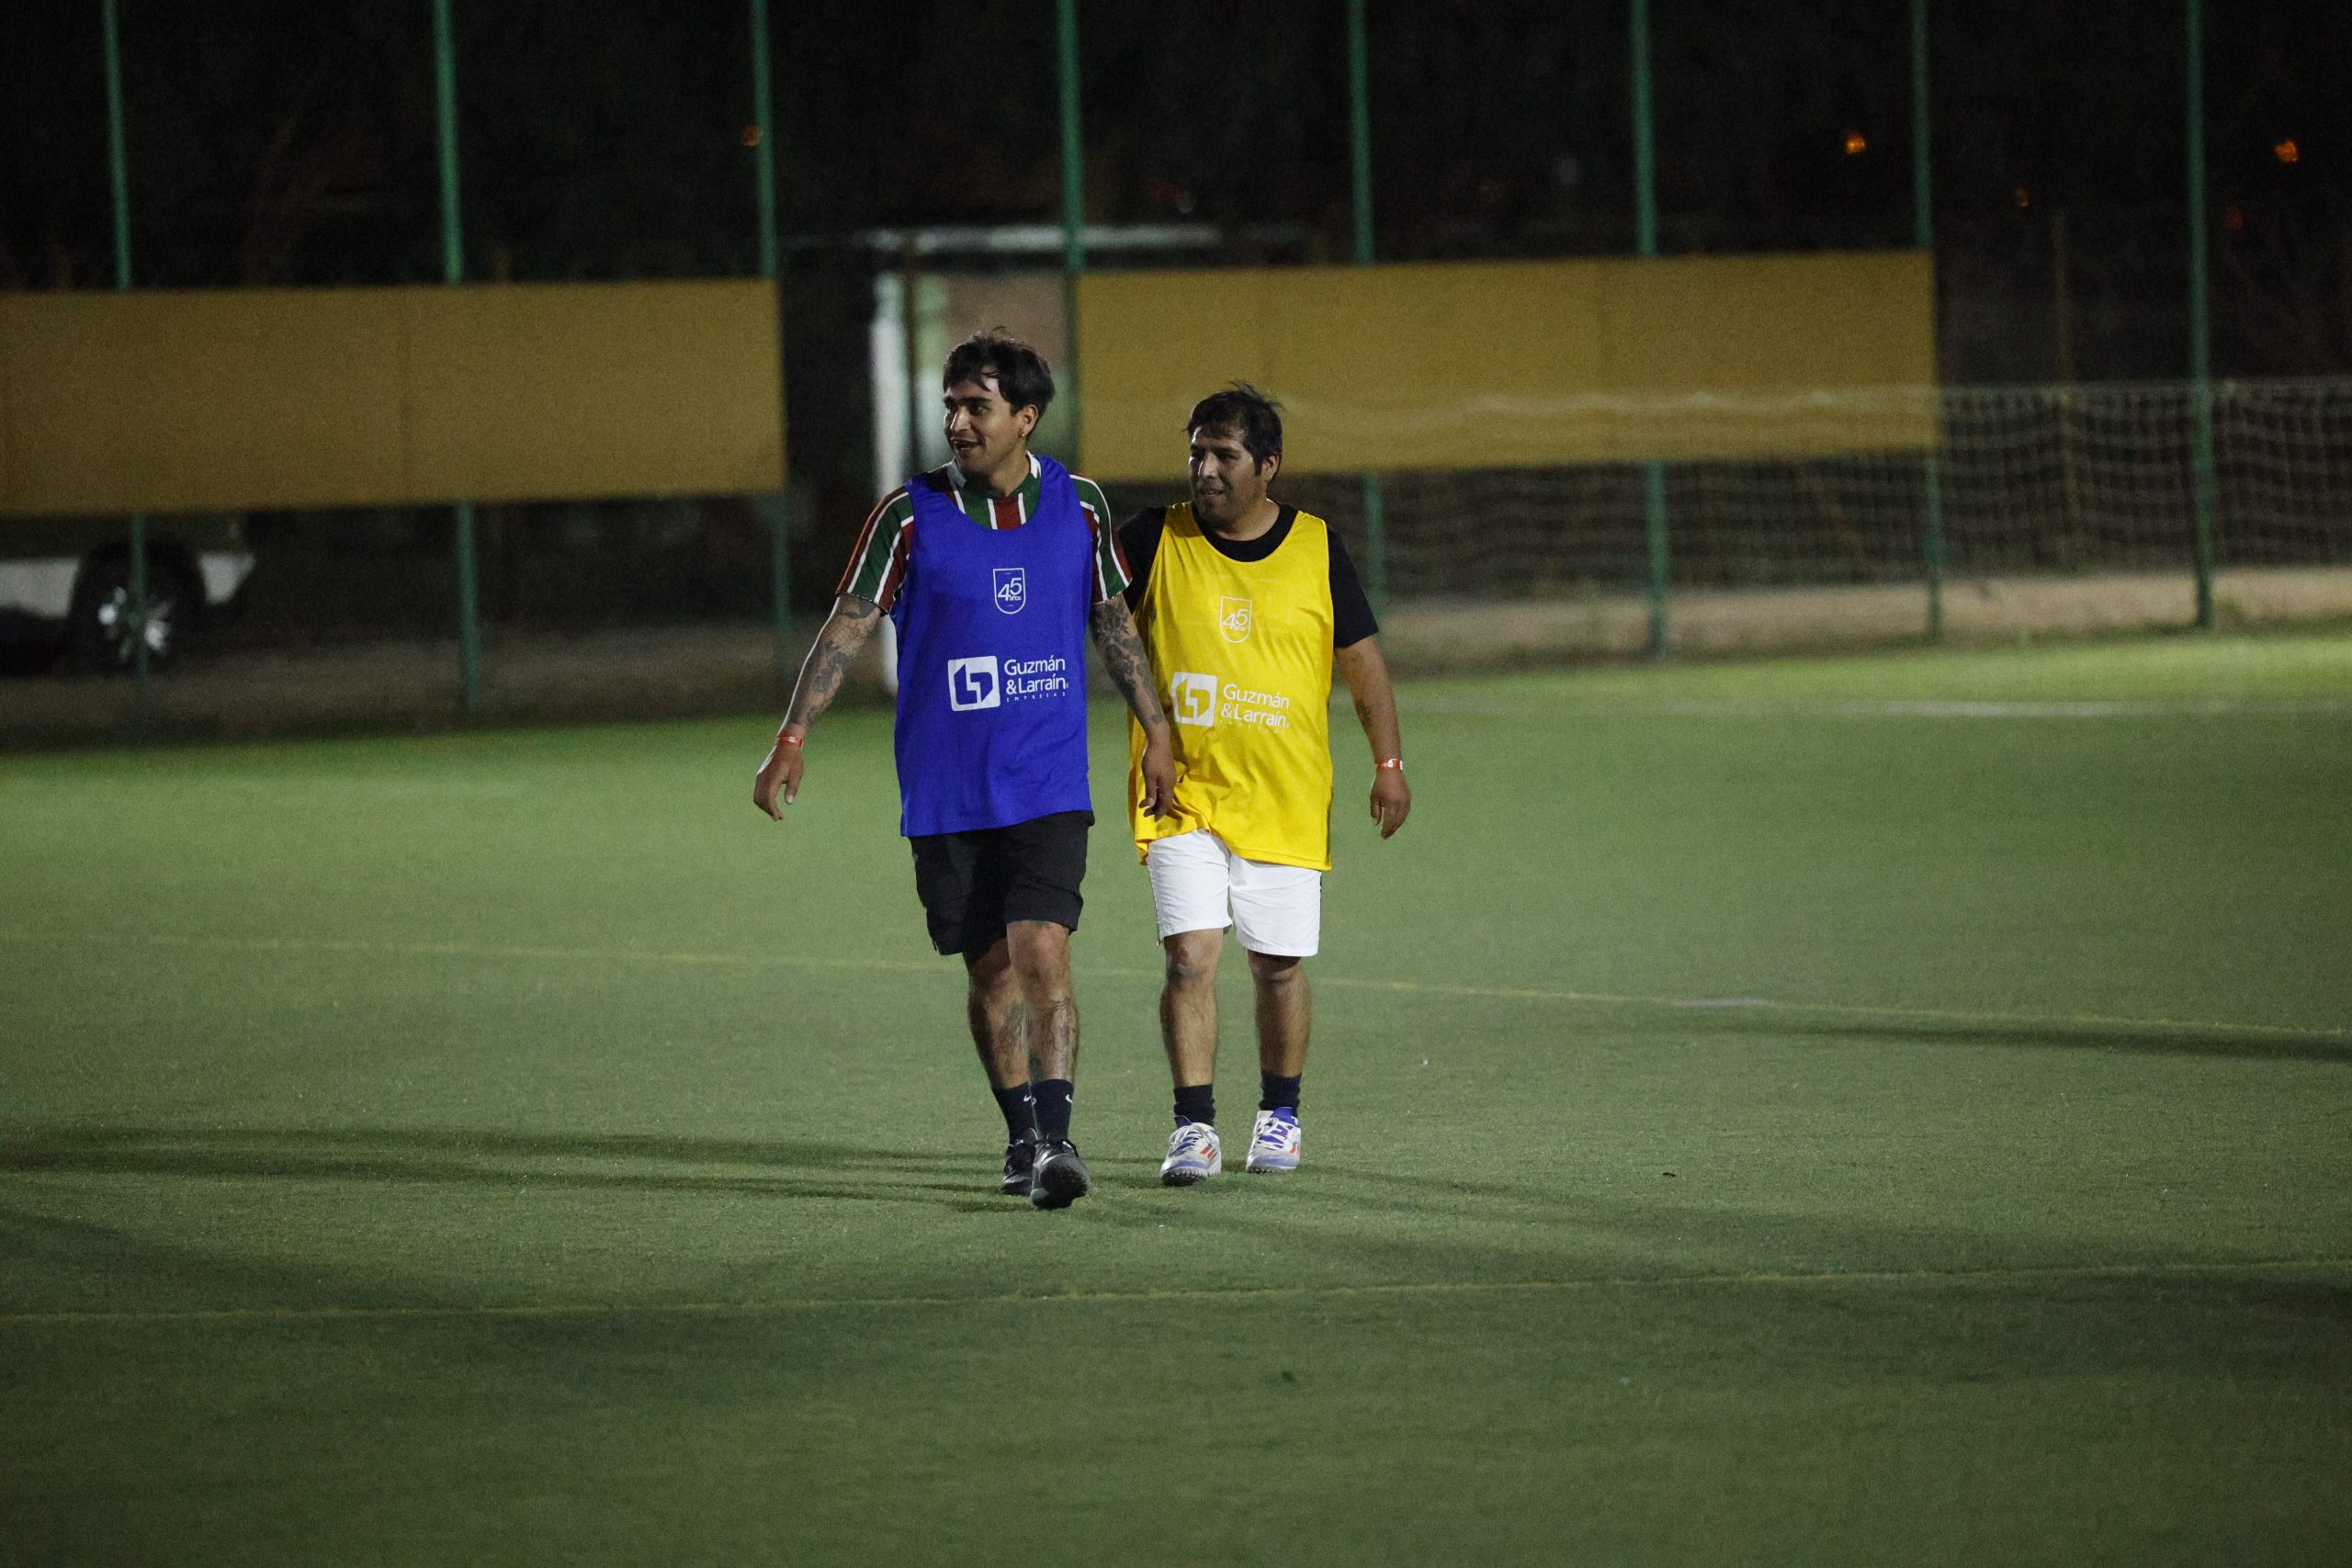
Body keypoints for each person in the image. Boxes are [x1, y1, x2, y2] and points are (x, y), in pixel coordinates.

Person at [754, 332, 1177, 1210]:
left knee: (1042, 950)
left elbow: (1112, 621)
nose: (957, 422)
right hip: (948, 788)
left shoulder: (1082, 506)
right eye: (951, 405)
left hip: (1048, 778)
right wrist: (793, 734)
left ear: (1026, 417)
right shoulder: (907, 516)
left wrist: (1158, 730)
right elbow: (848, 624)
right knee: (989, 972)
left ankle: (1057, 1142)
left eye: (977, 406)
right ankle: (1021, 1135)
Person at [1118, 384, 1410, 1185]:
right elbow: (1100, 621)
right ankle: (1194, 1127)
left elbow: (1363, 662)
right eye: (1196, 453)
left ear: (1268, 465)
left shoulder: (1316, 546)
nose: (1205, 469)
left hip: (1284, 794)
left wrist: (1388, 764)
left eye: (1225, 455)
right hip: (1181, 793)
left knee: (1277, 965)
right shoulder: (1153, 538)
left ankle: (1280, 1113)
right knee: (1190, 956)